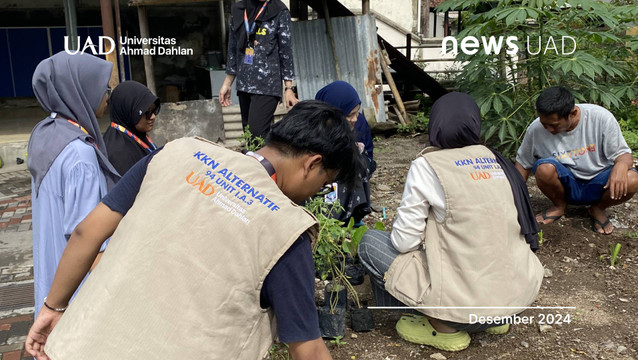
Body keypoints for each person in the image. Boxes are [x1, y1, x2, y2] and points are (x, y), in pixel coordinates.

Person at [25, 101, 362, 360]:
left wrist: (53, 308)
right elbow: (308, 350)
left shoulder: (177, 152)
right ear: (313, 163)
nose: (317, 192)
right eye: (324, 183)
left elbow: (88, 232)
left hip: (81, 346)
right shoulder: (286, 230)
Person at [358, 92, 544, 352]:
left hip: (461, 313)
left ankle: (440, 326)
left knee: (370, 242)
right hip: (511, 304)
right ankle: (494, 320)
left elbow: (404, 241)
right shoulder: (497, 159)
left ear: (435, 125)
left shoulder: (428, 166)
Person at [27, 51, 120, 318]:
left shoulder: (45, 134)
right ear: (82, 90)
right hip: (75, 294)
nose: (106, 95)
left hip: (52, 281)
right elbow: (88, 238)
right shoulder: (80, 154)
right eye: (103, 87)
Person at [515, 86, 638, 234]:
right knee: (544, 168)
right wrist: (514, 199)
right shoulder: (536, 129)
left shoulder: (600, 118)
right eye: (544, 124)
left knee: (632, 178)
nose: (548, 129)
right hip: (566, 185)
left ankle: (598, 208)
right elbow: (523, 165)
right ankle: (559, 206)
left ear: (572, 113)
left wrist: (621, 165)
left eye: (554, 125)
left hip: (599, 184)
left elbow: (624, 155)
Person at [218, 0, 299, 139]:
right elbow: (233, 48)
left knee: (257, 133)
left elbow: (285, 51)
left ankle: (264, 159)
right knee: (249, 135)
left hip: (267, 84)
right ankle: (259, 159)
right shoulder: (239, 10)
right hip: (244, 83)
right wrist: (227, 83)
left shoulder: (279, 11)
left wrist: (288, 88)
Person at [315, 81, 376, 225]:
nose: (355, 118)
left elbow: (369, 157)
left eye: (357, 112)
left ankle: (353, 216)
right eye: (350, 114)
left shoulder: (359, 123)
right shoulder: (313, 130)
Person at [103, 80, 160, 176]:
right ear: (128, 112)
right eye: (147, 112)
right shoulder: (120, 154)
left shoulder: (137, 136)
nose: (153, 116)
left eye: (154, 110)